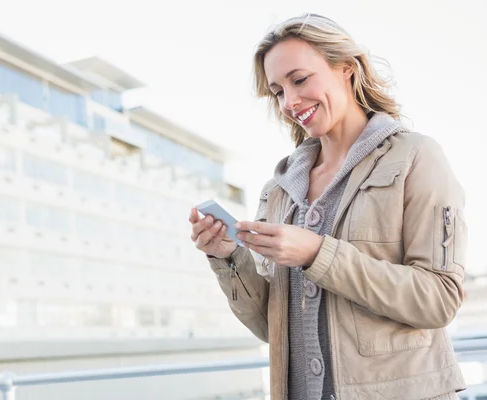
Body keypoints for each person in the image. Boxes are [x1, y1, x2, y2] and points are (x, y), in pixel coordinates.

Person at [188, 13, 467, 400]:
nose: (290, 101)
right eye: (278, 91)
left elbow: (438, 299)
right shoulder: (280, 189)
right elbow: (273, 327)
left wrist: (317, 253)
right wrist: (230, 257)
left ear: (346, 70)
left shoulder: (415, 156)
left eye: (299, 80)